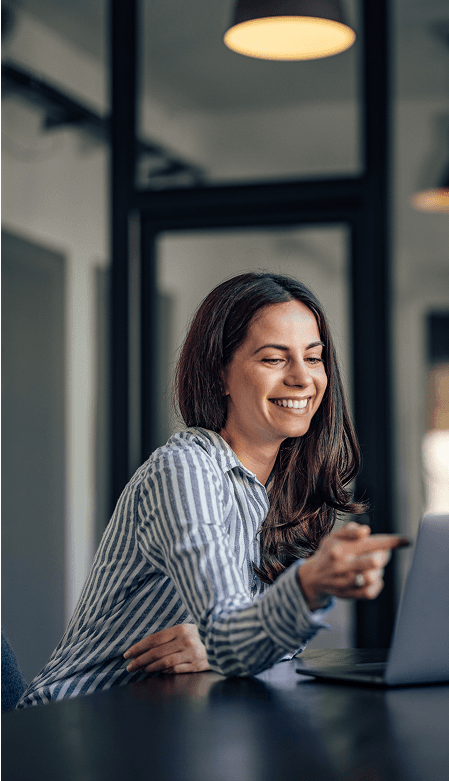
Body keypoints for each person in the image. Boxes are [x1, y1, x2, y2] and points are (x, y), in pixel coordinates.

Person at [19, 272, 407, 706]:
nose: (302, 378)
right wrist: (304, 588)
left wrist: (217, 645)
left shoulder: (281, 489)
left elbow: (248, 643)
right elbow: (235, 638)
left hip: (164, 720)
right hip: (71, 723)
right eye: (274, 359)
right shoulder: (184, 470)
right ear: (219, 374)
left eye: (313, 358)